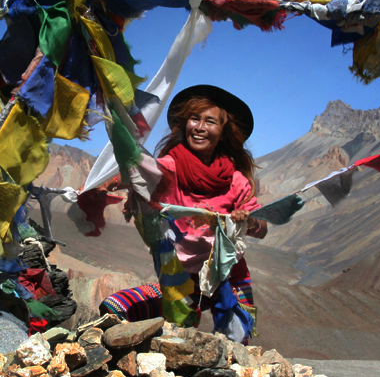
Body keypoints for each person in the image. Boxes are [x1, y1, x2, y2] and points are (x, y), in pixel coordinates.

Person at [101, 85, 266, 342]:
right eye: (194, 118)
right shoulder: (170, 167)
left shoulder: (235, 180)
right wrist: (107, 183)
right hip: (180, 274)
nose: (199, 127)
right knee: (127, 313)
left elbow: (263, 229)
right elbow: (140, 172)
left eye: (210, 121)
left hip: (227, 273)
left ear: (223, 133)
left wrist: (250, 221)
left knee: (236, 345)